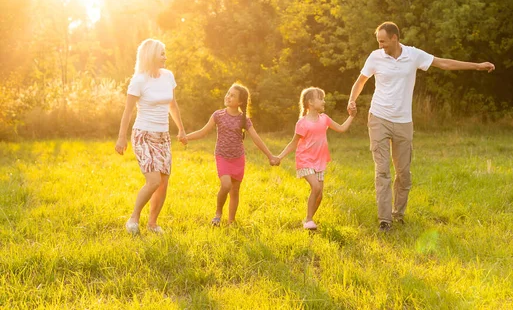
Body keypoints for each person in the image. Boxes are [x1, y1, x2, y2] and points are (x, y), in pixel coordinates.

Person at [348, 21, 495, 232]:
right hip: (378, 117)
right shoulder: (375, 57)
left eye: (383, 41)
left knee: (404, 173)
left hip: (403, 121)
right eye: (378, 42)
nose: (380, 46)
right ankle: (385, 220)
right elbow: (360, 80)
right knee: (382, 172)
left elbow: (444, 64)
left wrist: (477, 66)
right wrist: (352, 100)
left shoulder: (413, 55)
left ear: (394, 38)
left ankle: (398, 214)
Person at [115, 38, 187, 235]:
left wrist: (181, 129)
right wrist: (121, 137)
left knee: (164, 182)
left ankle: (153, 224)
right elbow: (128, 111)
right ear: (151, 55)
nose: (165, 57)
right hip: (144, 134)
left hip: (163, 135)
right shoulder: (139, 80)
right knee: (154, 180)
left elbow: (173, 105)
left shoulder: (168, 76)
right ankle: (133, 219)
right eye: (162, 53)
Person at [186, 83, 277, 226]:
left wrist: (270, 155)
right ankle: (218, 213)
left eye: (232, 95)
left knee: (235, 190)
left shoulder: (244, 120)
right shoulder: (218, 115)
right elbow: (203, 132)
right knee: (226, 184)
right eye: (228, 93)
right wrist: (186, 137)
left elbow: (256, 138)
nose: (228, 96)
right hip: (222, 156)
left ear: (240, 102)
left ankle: (231, 221)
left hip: (238, 158)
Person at [275, 87, 356, 231]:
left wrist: (351, 116)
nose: (324, 101)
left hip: (319, 161)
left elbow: (342, 128)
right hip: (305, 160)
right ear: (310, 102)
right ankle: (308, 220)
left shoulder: (324, 119)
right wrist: (279, 157)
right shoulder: (302, 123)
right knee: (316, 187)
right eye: (321, 98)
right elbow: (293, 143)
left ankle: (309, 218)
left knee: (319, 195)